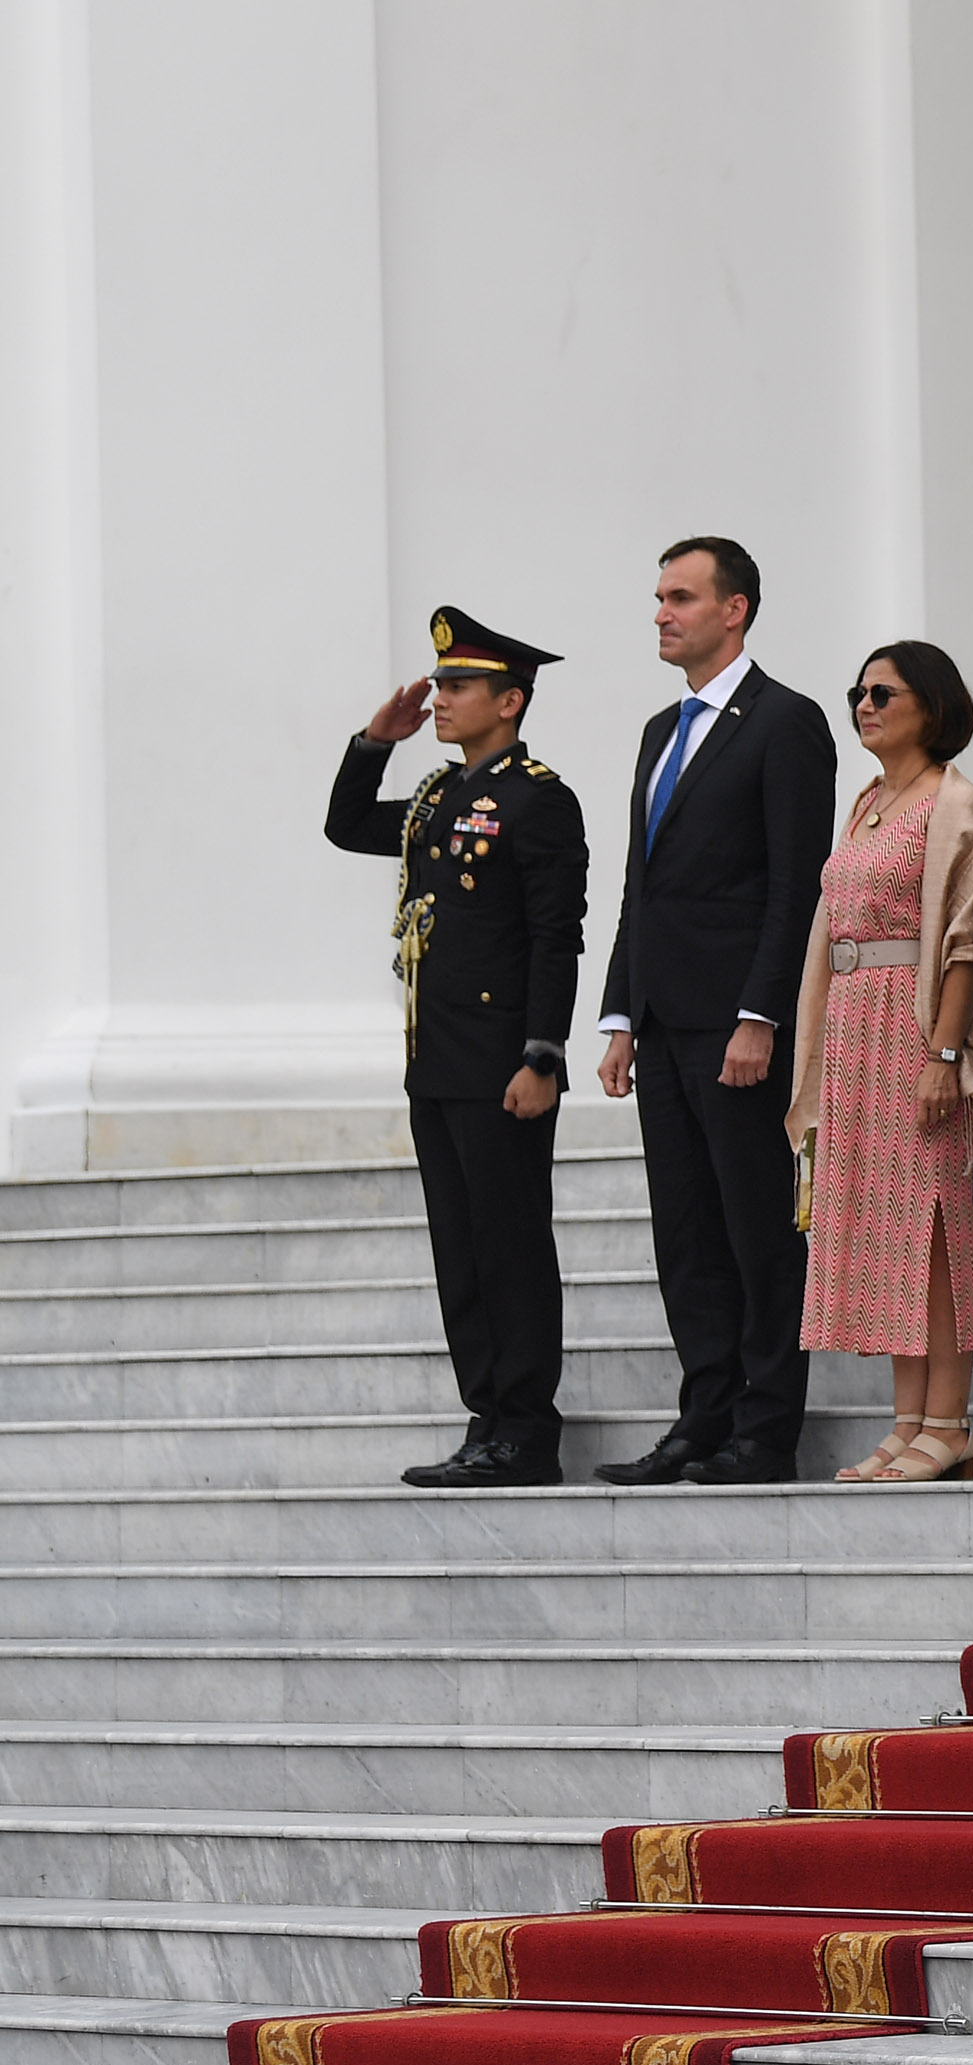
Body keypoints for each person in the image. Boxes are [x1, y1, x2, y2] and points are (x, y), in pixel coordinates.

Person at [594, 538, 839, 1487]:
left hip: (739, 1025)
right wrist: (620, 1012)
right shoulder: (662, 728)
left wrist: (761, 1013)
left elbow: (794, 887)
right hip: (664, 1018)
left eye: (681, 597)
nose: (662, 611)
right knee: (686, 1230)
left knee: (756, 1228)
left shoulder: (785, 722)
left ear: (734, 609)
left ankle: (766, 1428)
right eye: (659, 596)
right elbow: (639, 884)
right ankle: (703, 1415)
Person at [327, 609, 587, 1488]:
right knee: (460, 1246)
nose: (440, 697)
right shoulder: (439, 796)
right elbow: (348, 825)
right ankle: (487, 1416)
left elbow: (557, 936)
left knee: (510, 1243)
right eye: (439, 683)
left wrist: (543, 1054)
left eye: (459, 684)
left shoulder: (538, 797)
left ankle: (526, 1426)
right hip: (436, 1059)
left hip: (503, 1061)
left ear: (510, 700)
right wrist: (374, 743)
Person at [786, 642, 973, 1482]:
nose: (865, 704)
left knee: (935, 1231)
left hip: (912, 1031)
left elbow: (964, 942)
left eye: (883, 691)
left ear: (932, 704)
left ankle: (950, 1423)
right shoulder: (869, 799)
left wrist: (945, 1051)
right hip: (852, 1030)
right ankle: (909, 1418)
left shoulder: (955, 801)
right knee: (884, 1235)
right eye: (858, 692)